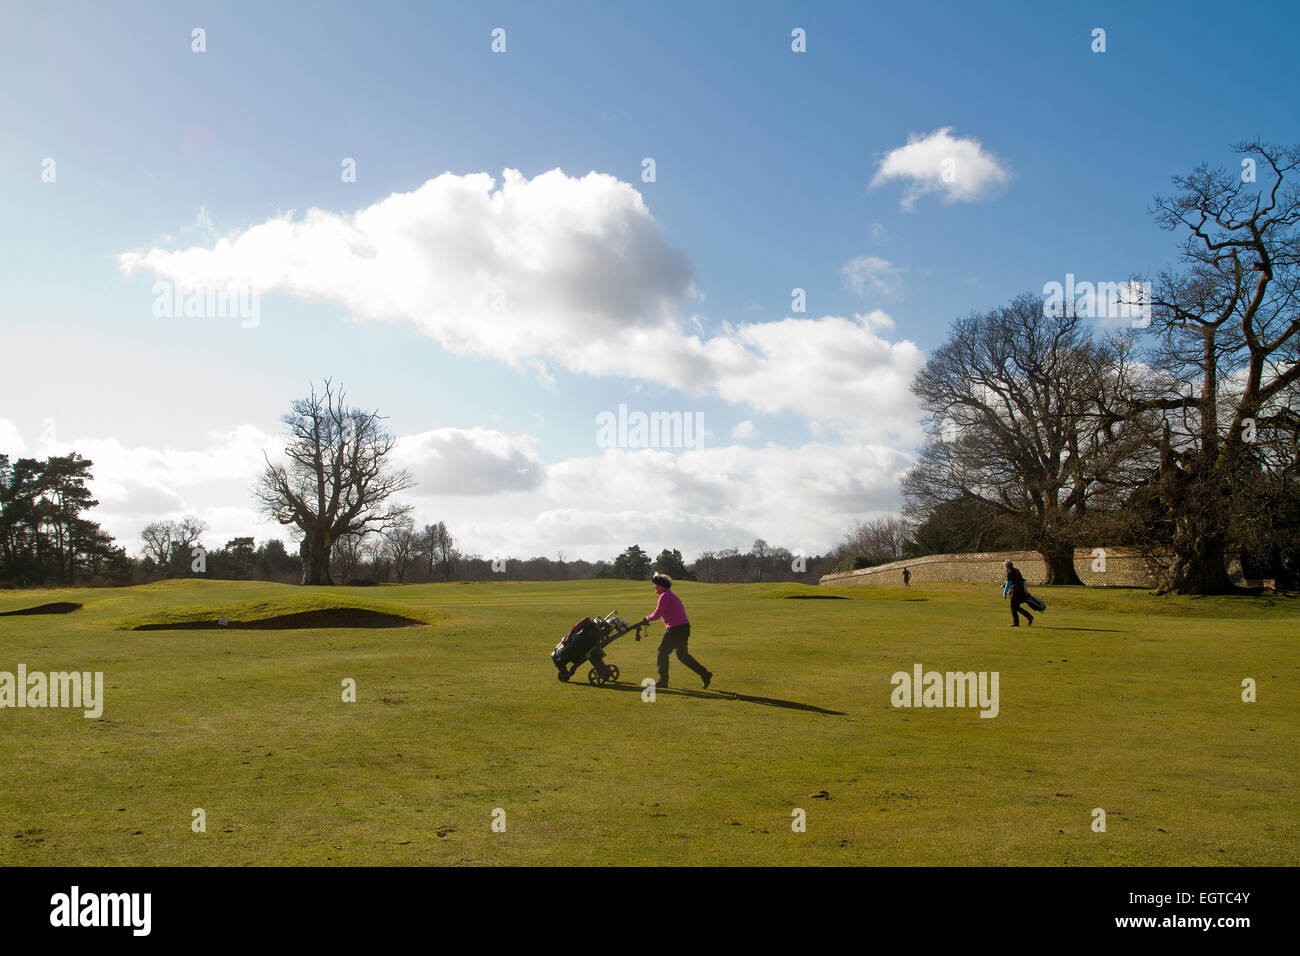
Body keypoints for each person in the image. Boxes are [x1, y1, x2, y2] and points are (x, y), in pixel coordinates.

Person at [641, 572, 711, 689]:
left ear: (661, 586)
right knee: (682, 655)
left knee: (662, 653)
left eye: (655, 585)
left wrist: (646, 619)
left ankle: (663, 681)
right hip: (683, 628)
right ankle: (705, 673)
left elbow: (657, 614)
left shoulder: (665, 596)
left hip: (675, 629)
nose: (654, 587)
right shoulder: (669, 595)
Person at [1002, 559, 1033, 627]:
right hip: (1022, 591)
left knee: (1013, 607)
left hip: (1016, 592)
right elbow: (1016, 580)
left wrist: (1004, 593)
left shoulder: (1010, 572)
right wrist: (1005, 585)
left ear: (1006, 566)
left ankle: (1016, 623)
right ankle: (1029, 617)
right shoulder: (1016, 570)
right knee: (1016, 607)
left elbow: (1008, 583)